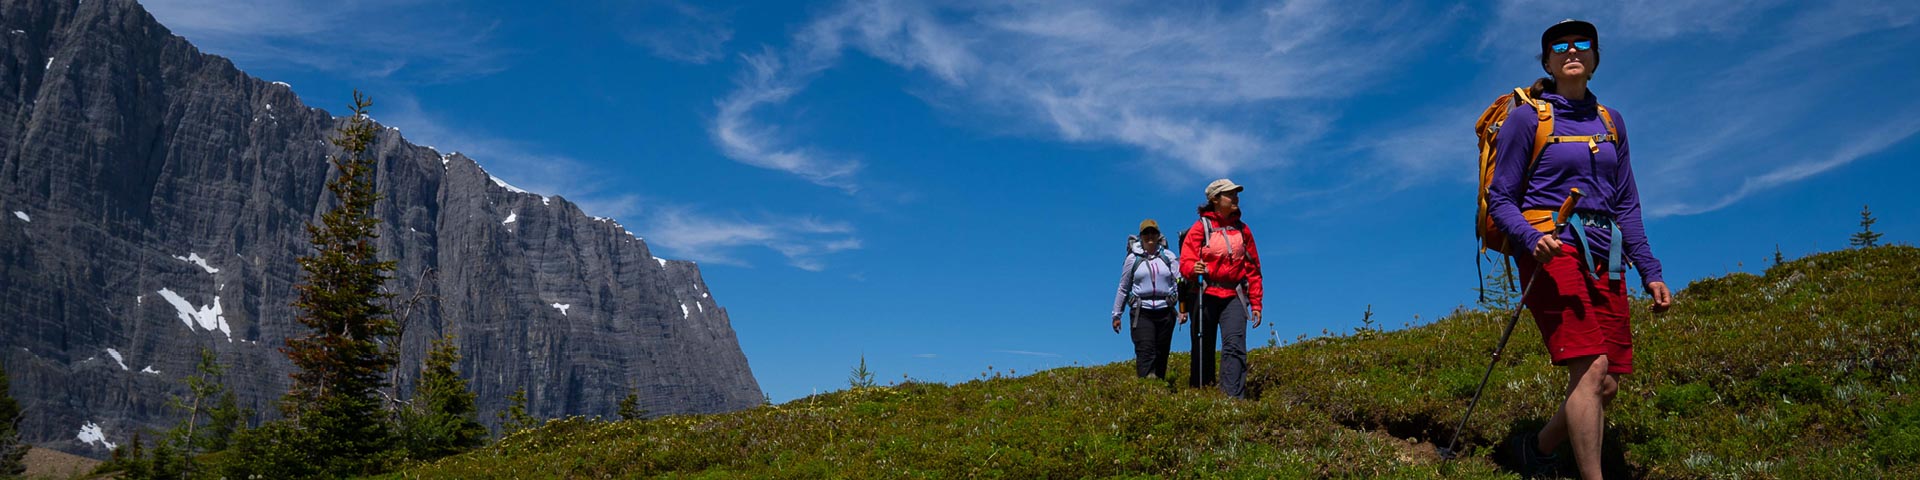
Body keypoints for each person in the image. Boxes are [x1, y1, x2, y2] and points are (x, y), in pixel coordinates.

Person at [1484, 19, 1675, 479]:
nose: (1572, 50)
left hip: (1606, 254)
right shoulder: (1527, 117)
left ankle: (1536, 448)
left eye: (1583, 43)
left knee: (1606, 382)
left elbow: (1626, 202)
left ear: (1594, 58)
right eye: (1559, 46)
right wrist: (1532, 238)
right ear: (1547, 61)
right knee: (1591, 368)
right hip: (1552, 250)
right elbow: (1500, 197)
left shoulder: (1611, 121)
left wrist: (1650, 269)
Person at [1178, 179, 1263, 398]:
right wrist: (1192, 268)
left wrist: (1256, 303)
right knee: (1202, 345)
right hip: (1204, 293)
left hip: (1233, 294)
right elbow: (1185, 262)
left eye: (1236, 194)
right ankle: (1203, 393)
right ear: (1215, 200)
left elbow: (1253, 269)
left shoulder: (1243, 231)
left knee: (1234, 345)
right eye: (1230, 194)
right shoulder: (1200, 229)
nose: (1235, 198)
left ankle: (1232, 399)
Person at [1110, 220, 1186, 379]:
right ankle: (1148, 388)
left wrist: (1182, 310)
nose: (1150, 236)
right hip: (1141, 312)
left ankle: (1158, 385)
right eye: (1146, 233)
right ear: (1141, 236)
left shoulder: (1169, 257)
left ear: (1159, 235)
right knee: (1145, 350)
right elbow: (1123, 287)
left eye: (1153, 232)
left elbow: (1179, 282)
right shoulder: (1132, 259)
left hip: (1166, 311)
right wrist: (1117, 314)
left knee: (1162, 352)